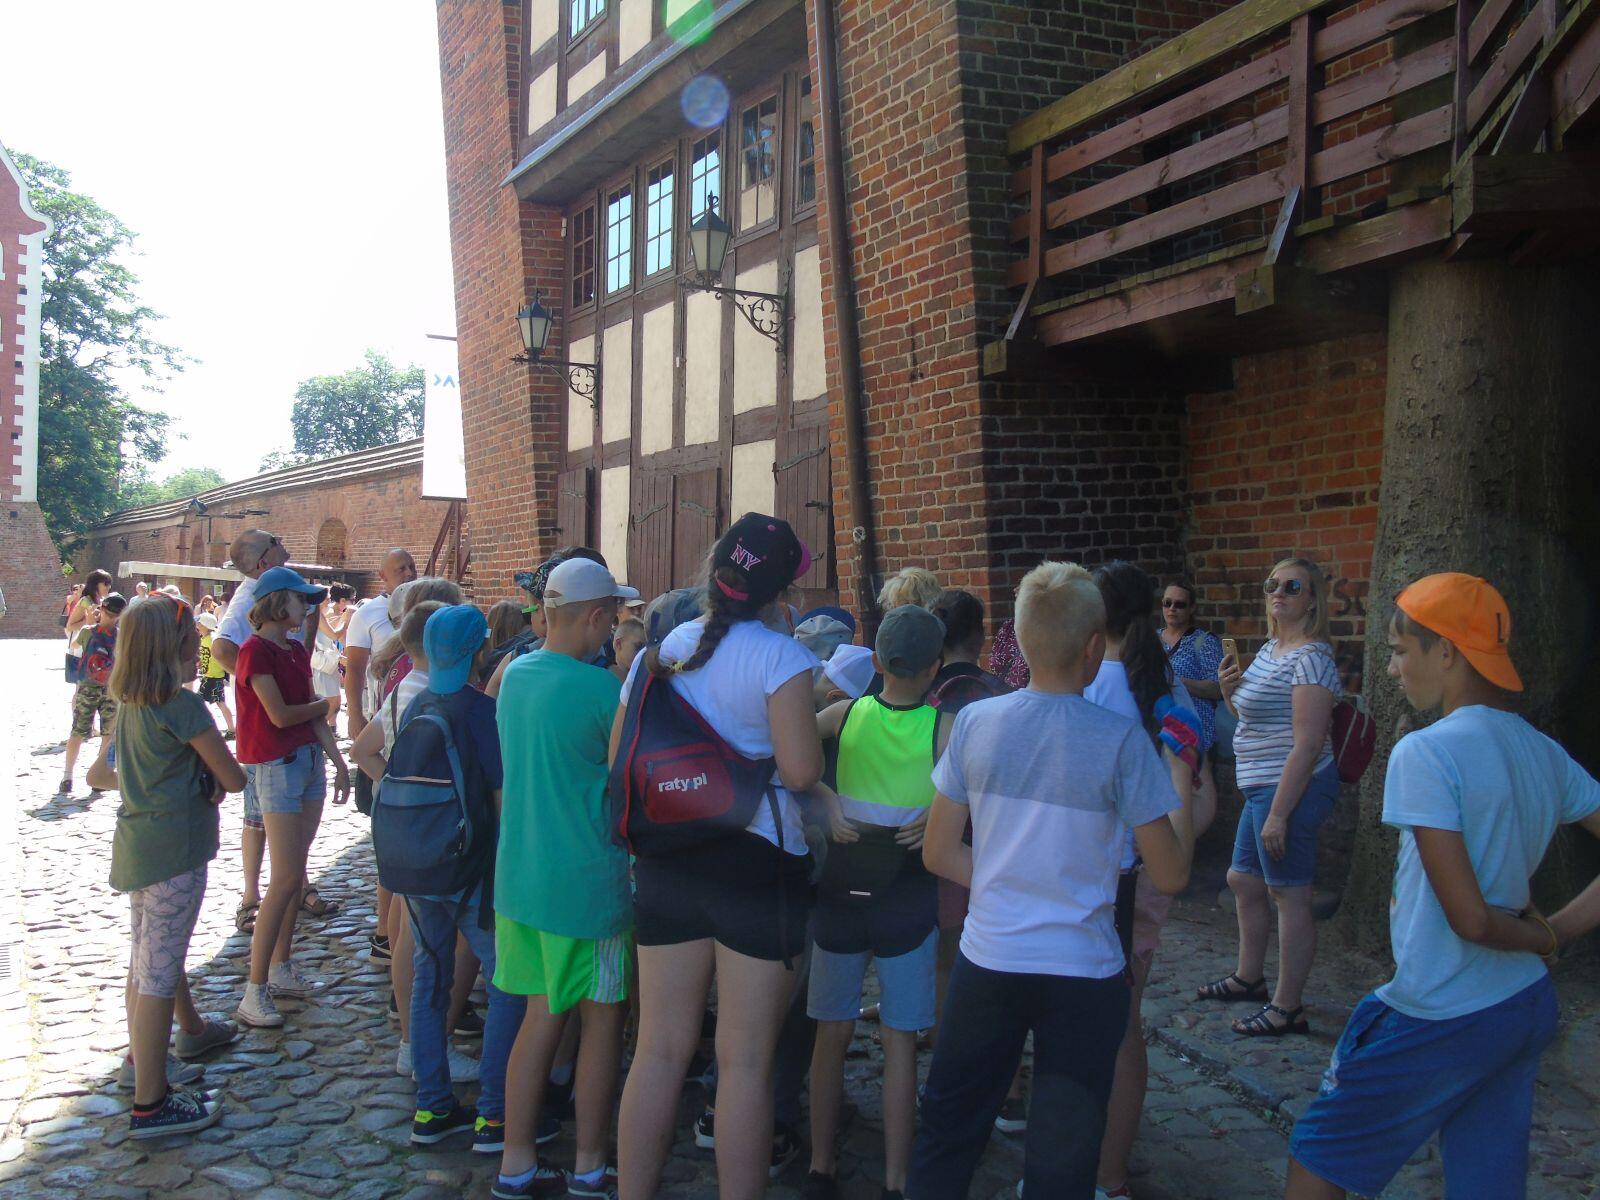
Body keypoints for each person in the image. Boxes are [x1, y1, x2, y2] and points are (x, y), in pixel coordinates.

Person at [1286, 573, 1600, 1200]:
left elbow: (1472, 920)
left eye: (1401, 651)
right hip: (1521, 1005)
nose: (1393, 669)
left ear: (1448, 651)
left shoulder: (1425, 752)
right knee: (1487, 1181)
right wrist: (1553, 931)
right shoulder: (1542, 751)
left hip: (1441, 1007)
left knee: (1318, 1158)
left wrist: (1550, 935)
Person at [909, 561, 1194, 1200]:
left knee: (948, 1132)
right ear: (1094, 647)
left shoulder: (977, 723)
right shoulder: (1122, 741)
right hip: (1083, 971)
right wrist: (1179, 773)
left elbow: (938, 851)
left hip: (991, 958)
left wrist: (1004, 882)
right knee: (1063, 1158)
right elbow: (1172, 872)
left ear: (1020, 637)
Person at [614, 513, 827, 1200]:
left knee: (658, 1050)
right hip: (756, 865)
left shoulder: (663, 649)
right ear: (781, 593)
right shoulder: (780, 659)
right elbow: (799, 771)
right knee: (745, 1064)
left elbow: (622, 749)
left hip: (670, 859)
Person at [492, 559, 637, 1198]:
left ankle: (516, 1162)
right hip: (587, 884)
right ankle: (590, 1164)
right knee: (603, 1025)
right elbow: (627, 779)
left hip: (522, 880)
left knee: (539, 1020)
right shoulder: (604, 690)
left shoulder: (514, 676)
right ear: (597, 618)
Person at [804, 605, 951, 1200]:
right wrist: (938, 815)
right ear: (936, 668)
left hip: (841, 891)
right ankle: (897, 1179)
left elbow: (785, 752)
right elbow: (980, 794)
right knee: (900, 1042)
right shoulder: (945, 729)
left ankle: (820, 1166)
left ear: (876, 662)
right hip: (908, 897)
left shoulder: (843, 713)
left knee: (830, 1033)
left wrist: (823, 798)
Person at [379, 605, 521, 1153]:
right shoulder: (480, 711)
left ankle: (432, 1105)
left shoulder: (419, 703)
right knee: (506, 978)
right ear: (478, 651)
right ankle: (495, 1113)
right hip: (469, 868)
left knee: (430, 977)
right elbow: (500, 800)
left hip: (416, 863)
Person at [104, 594, 246, 1138]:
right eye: (192, 645)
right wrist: (207, 779)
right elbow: (232, 777)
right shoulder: (182, 706)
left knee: (145, 964)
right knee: (159, 974)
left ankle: (141, 1064)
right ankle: (151, 1103)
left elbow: (108, 772)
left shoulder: (130, 703)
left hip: (138, 845)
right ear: (173, 649)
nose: (198, 653)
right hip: (176, 851)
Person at [1086, 562, 1201, 1200]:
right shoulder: (1164, 682)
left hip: (1096, 873)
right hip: (1148, 871)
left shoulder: (1081, 685)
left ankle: (1090, 1166)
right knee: (1126, 1026)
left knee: (1082, 1027)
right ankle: (1112, 1173)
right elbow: (1192, 789)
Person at [1198, 558, 1342, 1037]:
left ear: (1313, 599)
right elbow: (1252, 718)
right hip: (1261, 784)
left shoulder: (1311, 658)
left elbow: (1308, 743)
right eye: (1272, 584)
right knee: (1243, 879)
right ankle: (1249, 978)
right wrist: (1228, 692)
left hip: (1292, 787)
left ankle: (1287, 1007)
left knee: (1288, 892)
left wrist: (1279, 815)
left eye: (1292, 586)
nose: (1278, 592)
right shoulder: (1269, 650)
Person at [350, 598, 482, 1085]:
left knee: (409, 931)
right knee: (427, 942)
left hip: (406, 828)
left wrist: (394, 788)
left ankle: (413, 1039)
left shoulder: (402, 688)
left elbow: (363, 750)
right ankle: (419, 1041)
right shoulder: (434, 692)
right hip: (439, 830)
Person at [233, 568, 350, 1029]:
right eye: (302, 599)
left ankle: (281, 966)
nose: (308, 607)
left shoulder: (295, 649)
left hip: (306, 762)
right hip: (276, 766)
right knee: (284, 878)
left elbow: (311, 714)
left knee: (294, 873)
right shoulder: (254, 650)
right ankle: (253, 988)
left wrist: (337, 761)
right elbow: (280, 715)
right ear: (279, 603)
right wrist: (324, 707)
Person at [210, 529, 300, 936]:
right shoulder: (250, 595)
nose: (282, 542)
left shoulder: (281, 588)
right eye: (275, 540)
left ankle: (297, 883)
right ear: (264, 561)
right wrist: (262, 689)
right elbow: (222, 648)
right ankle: (250, 898)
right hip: (266, 729)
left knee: (291, 813)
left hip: (292, 723)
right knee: (258, 816)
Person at [344, 548, 419, 812]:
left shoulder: (426, 606)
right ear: (382, 575)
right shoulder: (367, 614)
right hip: (384, 715)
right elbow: (354, 669)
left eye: (411, 567)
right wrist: (355, 715)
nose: (409, 573)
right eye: (401, 569)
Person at [1160, 580, 1225, 837]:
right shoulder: (1151, 640)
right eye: (1167, 603)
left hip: (1196, 735)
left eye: (1179, 604)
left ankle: (1187, 846)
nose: (1172, 609)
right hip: (1160, 732)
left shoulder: (1203, 642)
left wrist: (1176, 682)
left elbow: (1217, 688)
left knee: (1191, 799)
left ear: (1192, 608)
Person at [61, 591, 127, 794]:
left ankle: (67, 776)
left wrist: (91, 622)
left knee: (77, 732)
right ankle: (100, 777)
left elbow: (74, 646)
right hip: (112, 689)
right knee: (108, 734)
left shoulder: (88, 631)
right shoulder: (122, 636)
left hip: (87, 687)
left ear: (102, 609)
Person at [312, 583, 354, 726]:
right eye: (327, 599)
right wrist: (346, 621)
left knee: (335, 702)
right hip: (322, 665)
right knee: (333, 702)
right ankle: (315, 730)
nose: (329, 602)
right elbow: (335, 635)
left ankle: (327, 729)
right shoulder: (317, 615)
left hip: (328, 663)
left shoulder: (321, 615)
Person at [65, 569, 113, 684]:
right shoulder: (85, 601)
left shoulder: (103, 601)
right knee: (82, 684)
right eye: (105, 584)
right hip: (83, 647)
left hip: (98, 647)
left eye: (109, 584)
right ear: (96, 584)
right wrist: (88, 621)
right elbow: (70, 626)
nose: (109, 587)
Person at [195, 612, 236, 738]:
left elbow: (218, 655)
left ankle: (231, 730)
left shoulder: (212, 639)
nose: (197, 625)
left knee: (215, 703)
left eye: (199, 623)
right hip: (208, 676)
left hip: (214, 677)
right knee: (213, 703)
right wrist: (201, 663)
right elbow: (206, 655)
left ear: (205, 625)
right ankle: (230, 729)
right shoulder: (205, 639)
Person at [609, 617, 646, 683]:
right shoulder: (602, 676)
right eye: (638, 647)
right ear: (619, 644)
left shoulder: (646, 681)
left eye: (645, 649)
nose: (642, 653)